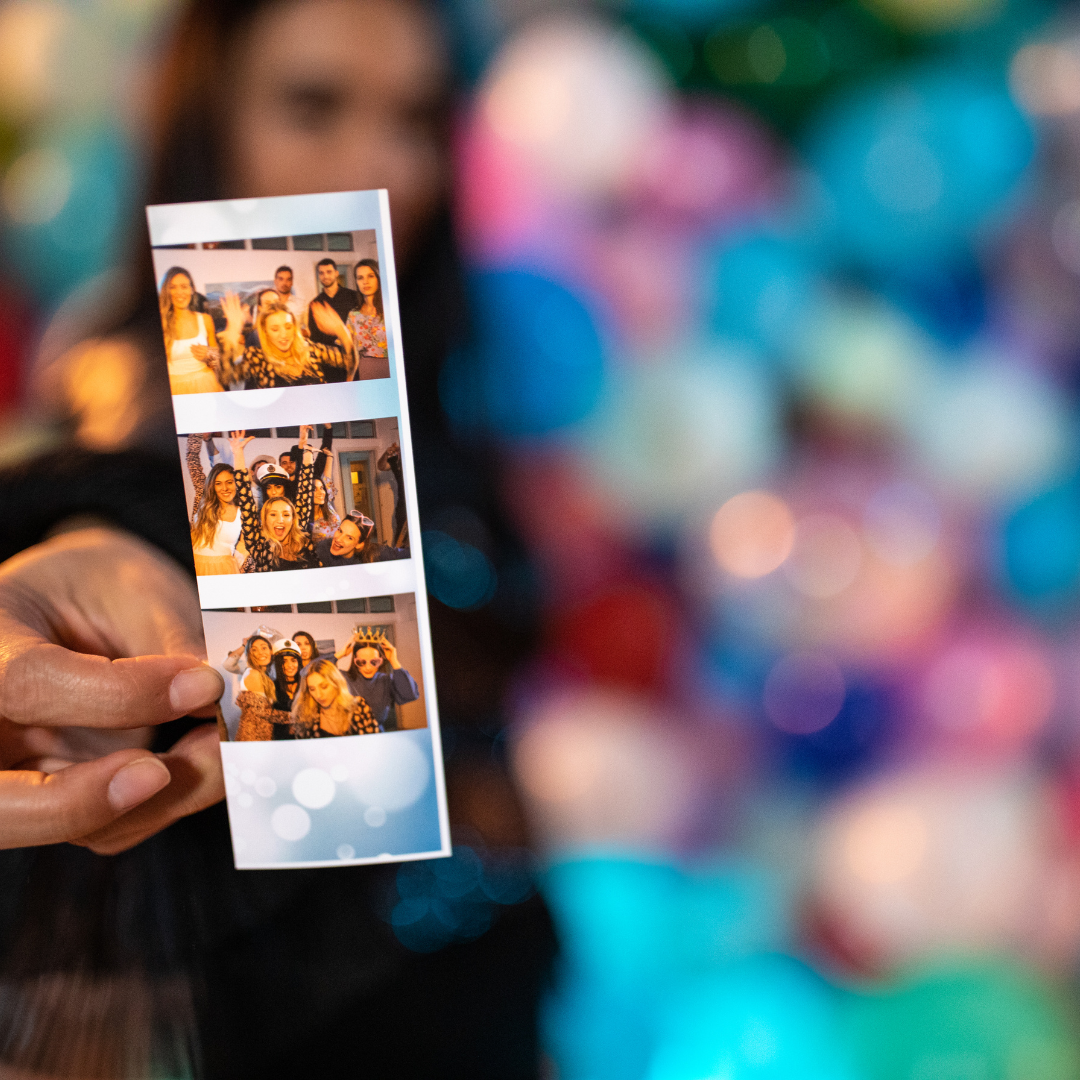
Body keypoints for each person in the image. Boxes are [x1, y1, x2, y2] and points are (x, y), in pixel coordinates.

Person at [231, 431, 318, 572]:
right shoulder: (259, 543)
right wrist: (238, 453)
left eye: (285, 514)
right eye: (272, 515)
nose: (280, 520)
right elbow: (244, 496)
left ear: (292, 517)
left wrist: (306, 449)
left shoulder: (299, 532)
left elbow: (305, 492)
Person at [219, 298, 350, 388]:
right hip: (283, 428)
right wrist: (231, 333)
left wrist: (342, 331)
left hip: (318, 427)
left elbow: (350, 361)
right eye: (275, 329)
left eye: (288, 326)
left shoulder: (310, 349)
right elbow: (228, 376)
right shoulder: (257, 357)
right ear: (265, 332)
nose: (283, 334)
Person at [336, 628, 418, 731]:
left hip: (377, 735)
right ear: (354, 661)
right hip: (348, 735)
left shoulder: (386, 681)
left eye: (374, 662)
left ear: (381, 660)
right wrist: (341, 653)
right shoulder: (343, 678)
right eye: (361, 662)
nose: (368, 667)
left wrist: (394, 661)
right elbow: (313, 671)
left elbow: (410, 694)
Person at [186, 435, 245, 575]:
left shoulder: (244, 511)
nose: (224, 488)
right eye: (218, 483)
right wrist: (198, 434)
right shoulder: (203, 499)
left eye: (229, 482)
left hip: (227, 570)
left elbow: (243, 546)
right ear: (212, 485)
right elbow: (192, 460)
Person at [160, 267, 224, 395]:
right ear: (166, 291)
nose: (179, 292)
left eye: (184, 286)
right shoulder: (162, 323)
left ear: (192, 289)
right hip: (175, 389)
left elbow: (216, 363)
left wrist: (209, 354)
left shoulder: (205, 319)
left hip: (205, 384)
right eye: (173, 287)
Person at [290, 659, 380, 738]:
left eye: (324, 686)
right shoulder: (306, 718)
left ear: (336, 683)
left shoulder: (359, 706)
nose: (318, 695)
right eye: (312, 689)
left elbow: (374, 744)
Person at [308, 258, 358, 382]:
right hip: (329, 363)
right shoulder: (315, 304)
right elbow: (314, 338)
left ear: (336, 273)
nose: (325, 276)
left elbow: (361, 328)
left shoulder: (354, 296)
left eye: (329, 272)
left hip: (354, 358)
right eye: (321, 273)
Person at [235, 633, 284, 741]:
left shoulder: (264, 675)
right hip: (253, 738)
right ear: (249, 654)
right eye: (254, 650)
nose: (260, 652)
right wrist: (297, 717)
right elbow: (264, 713)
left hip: (260, 735)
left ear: (271, 651)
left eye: (264, 648)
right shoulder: (254, 674)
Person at [347, 259, 389, 380]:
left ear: (378, 278)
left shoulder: (389, 308)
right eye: (360, 278)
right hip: (366, 368)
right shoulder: (353, 314)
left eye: (370, 276)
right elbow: (350, 350)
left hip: (391, 366)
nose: (365, 282)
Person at [270, 639, 303, 737]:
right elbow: (267, 714)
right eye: (284, 661)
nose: (289, 665)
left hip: (306, 739)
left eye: (293, 660)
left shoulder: (307, 684)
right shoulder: (272, 686)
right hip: (281, 740)